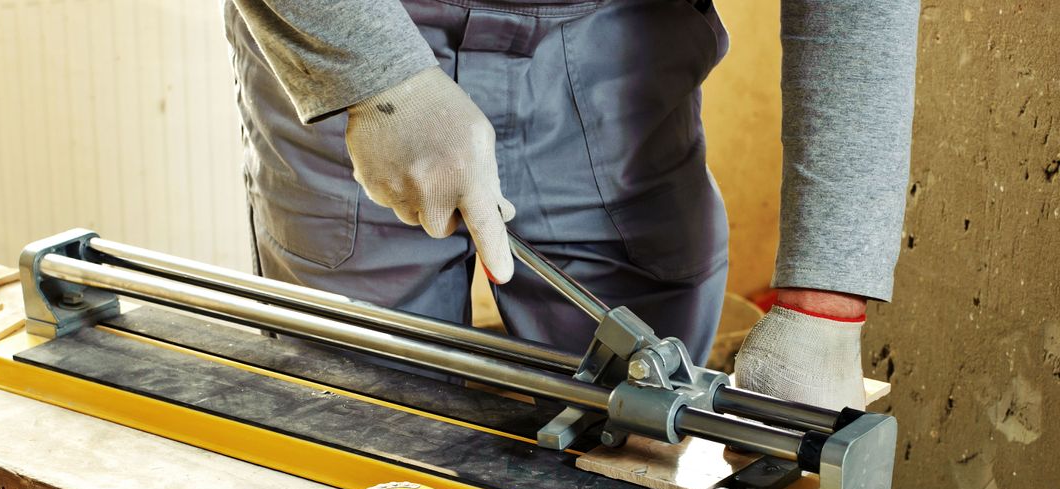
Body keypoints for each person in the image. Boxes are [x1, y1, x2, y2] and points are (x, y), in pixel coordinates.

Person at [221, 0, 919, 411]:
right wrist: (373, 75)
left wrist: (826, 302)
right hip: (352, 27)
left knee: (635, 449)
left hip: (620, 45)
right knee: (356, 452)